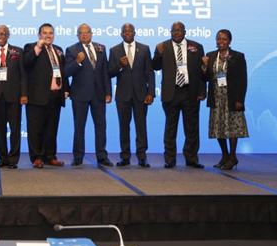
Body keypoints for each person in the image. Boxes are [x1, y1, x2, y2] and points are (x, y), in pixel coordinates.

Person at [153, 21, 206, 169]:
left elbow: (202, 71)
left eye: (179, 30)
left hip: (191, 92)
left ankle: (191, 158)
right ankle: (170, 159)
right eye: (174, 30)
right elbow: (155, 66)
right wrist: (158, 54)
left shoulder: (196, 47)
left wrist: (202, 91)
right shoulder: (163, 46)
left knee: (192, 128)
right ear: (170, 32)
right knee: (170, 128)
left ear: (184, 32)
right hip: (172, 92)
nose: (176, 33)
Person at [64, 23, 112, 167]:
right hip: (80, 94)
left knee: (101, 126)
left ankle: (102, 156)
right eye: (81, 33)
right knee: (79, 126)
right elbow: (66, 72)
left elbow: (105, 72)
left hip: (99, 94)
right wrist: (77, 62)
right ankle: (78, 157)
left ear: (91, 33)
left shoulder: (101, 48)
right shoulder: (72, 50)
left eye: (87, 32)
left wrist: (108, 92)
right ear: (77, 35)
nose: (84, 34)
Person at [108, 23, 155, 168]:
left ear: (134, 33)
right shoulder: (114, 50)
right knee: (124, 127)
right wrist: (120, 65)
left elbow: (149, 72)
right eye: (125, 31)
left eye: (130, 31)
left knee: (141, 126)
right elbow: (109, 73)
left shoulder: (145, 49)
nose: (127, 33)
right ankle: (125, 156)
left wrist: (151, 92)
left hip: (141, 94)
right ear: (121, 34)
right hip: (123, 95)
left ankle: (142, 157)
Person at [23, 23, 68, 169]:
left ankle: (50, 156)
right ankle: (36, 157)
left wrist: (65, 89)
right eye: (45, 33)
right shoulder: (31, 47)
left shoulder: (58, 50)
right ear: (39, 35)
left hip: (55, 96)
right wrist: (38, 46)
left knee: (51, 129)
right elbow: (26, 62)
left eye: (50, 33)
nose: (48, 36)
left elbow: (62, 71)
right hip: (37, 96)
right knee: (35, 129)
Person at [203, 29, 248, 170]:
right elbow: (205, 78)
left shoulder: (238, 56)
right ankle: (225, 155)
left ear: (229, 41)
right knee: (218, 128)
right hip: (216, 97)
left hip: (232, 97)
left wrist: (240, 99)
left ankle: (233, 157)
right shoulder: (210, 56)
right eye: (218, 38)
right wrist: (204, 66)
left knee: (232, 128)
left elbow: (243, 79)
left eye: (224, 39)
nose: (221, 41)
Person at [0, 25, 27, 169]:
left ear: (8, 36)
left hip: (14, 96)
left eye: (3, 34)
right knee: (0, 129)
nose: (0, 36)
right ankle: (3, 159)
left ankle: (13, 159)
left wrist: (24, 94)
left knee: (15, 129)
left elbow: (23, 74)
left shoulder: (17, 51)